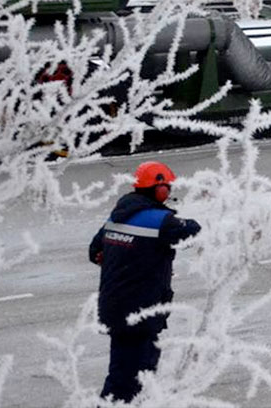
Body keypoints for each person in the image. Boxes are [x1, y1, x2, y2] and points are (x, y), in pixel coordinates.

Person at [89, 161, 201, 403]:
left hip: (113, 307)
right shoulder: (160, 221)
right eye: (167, 187)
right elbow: (193, 230)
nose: (169, 192)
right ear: (159, 189)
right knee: (136, 377)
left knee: (121, 370)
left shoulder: (118, 215)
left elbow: (94, 251)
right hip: (141, 311)